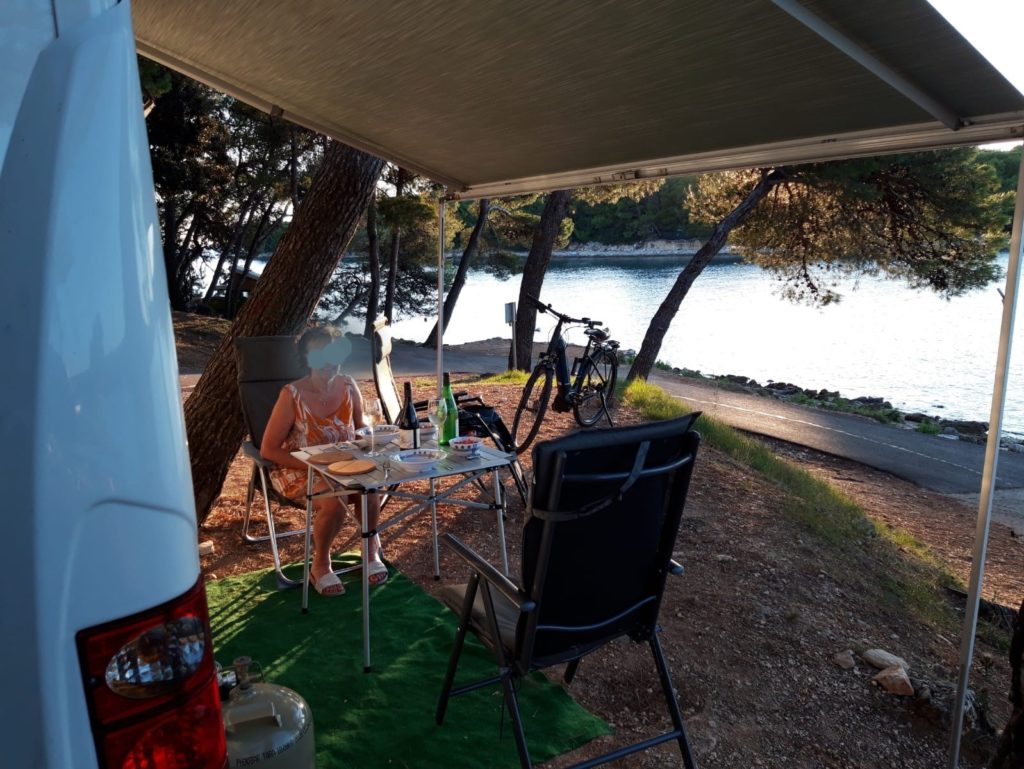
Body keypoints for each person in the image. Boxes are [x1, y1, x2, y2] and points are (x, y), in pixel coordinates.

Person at [261, 326, 386, 596]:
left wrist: (372, 437)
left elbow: (360, 426)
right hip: (299, 469)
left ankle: (369, 550)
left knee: (371, 491)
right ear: (306, 358)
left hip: (344, 464)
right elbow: (269, 449)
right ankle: (320, 565)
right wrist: (317, 465)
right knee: (334, 500)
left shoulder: (349, 385)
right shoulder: (291, 395)